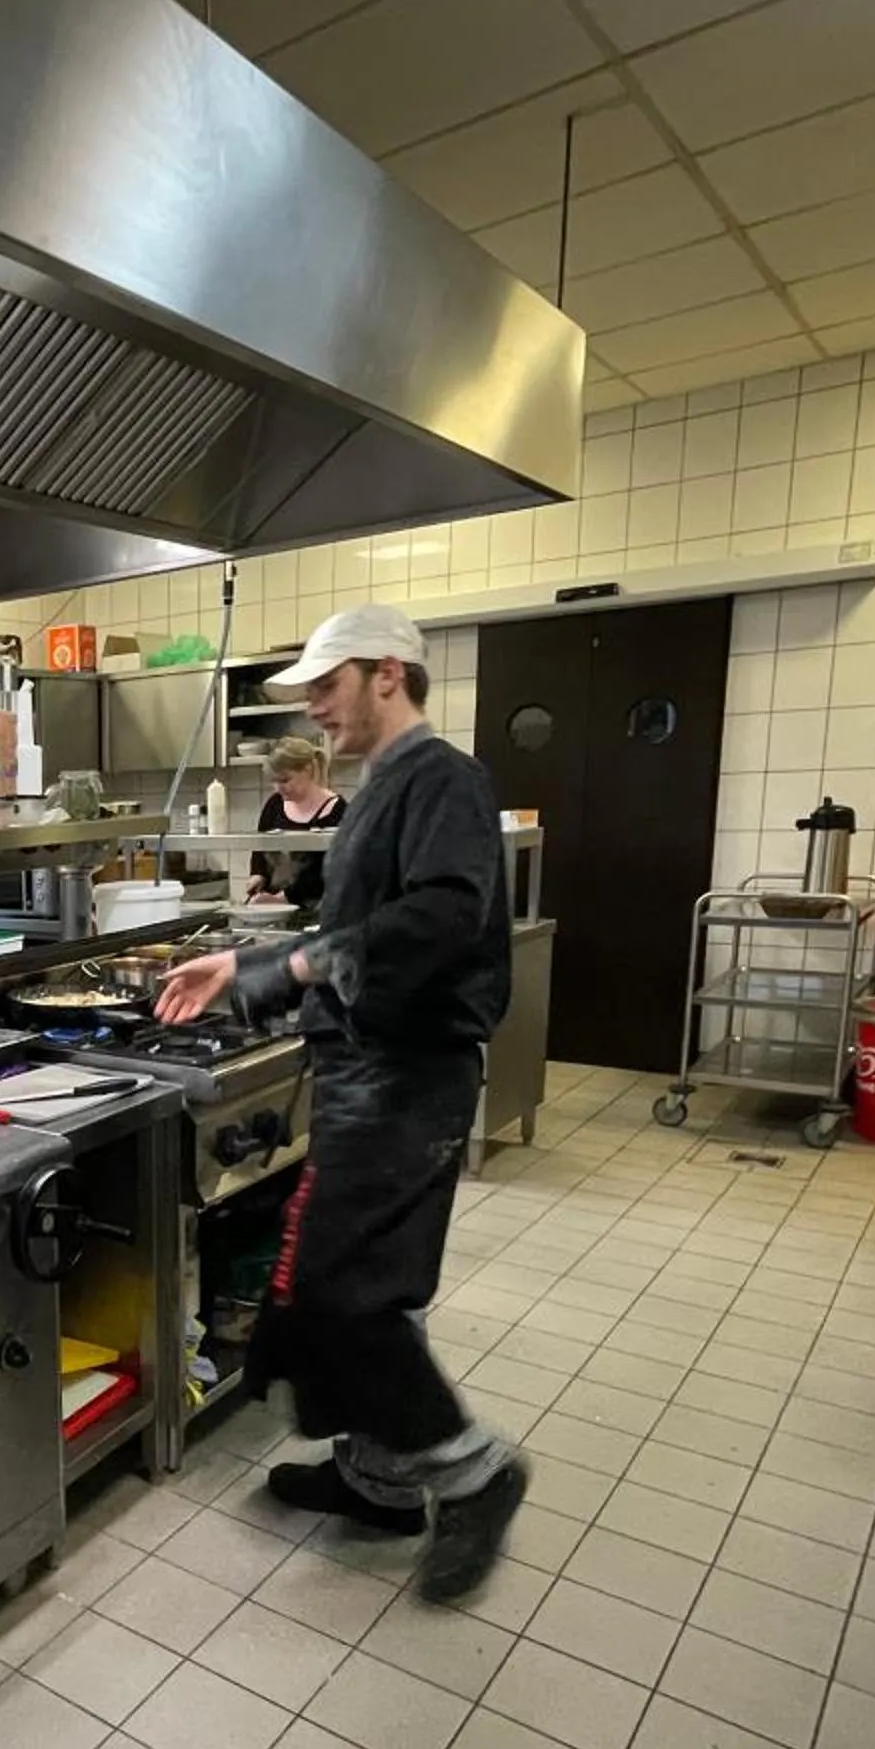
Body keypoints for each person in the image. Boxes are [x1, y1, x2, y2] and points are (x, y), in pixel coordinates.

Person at [158, 603, 521, 1604]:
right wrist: (248, 963)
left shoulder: (443, 776)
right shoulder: (379, 790)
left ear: (389, 674)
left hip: (411, 1075)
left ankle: (475, 1473)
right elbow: (350, 926)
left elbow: (445, 916)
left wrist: (305, 959)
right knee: (357, 1281)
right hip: (369, 1069)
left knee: (346, 1293)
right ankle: (379, 1480)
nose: (315, 708)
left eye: (327, 685)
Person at [248, 737, 343, 912]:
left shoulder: (337, 811)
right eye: (274, 781)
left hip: (314, 910)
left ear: (306, 770)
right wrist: (257, 874)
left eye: (284, 780)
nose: (278, 788)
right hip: (271, 910)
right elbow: (260, 845)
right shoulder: (274, 804)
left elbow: (328, 871)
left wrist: (283, 899)